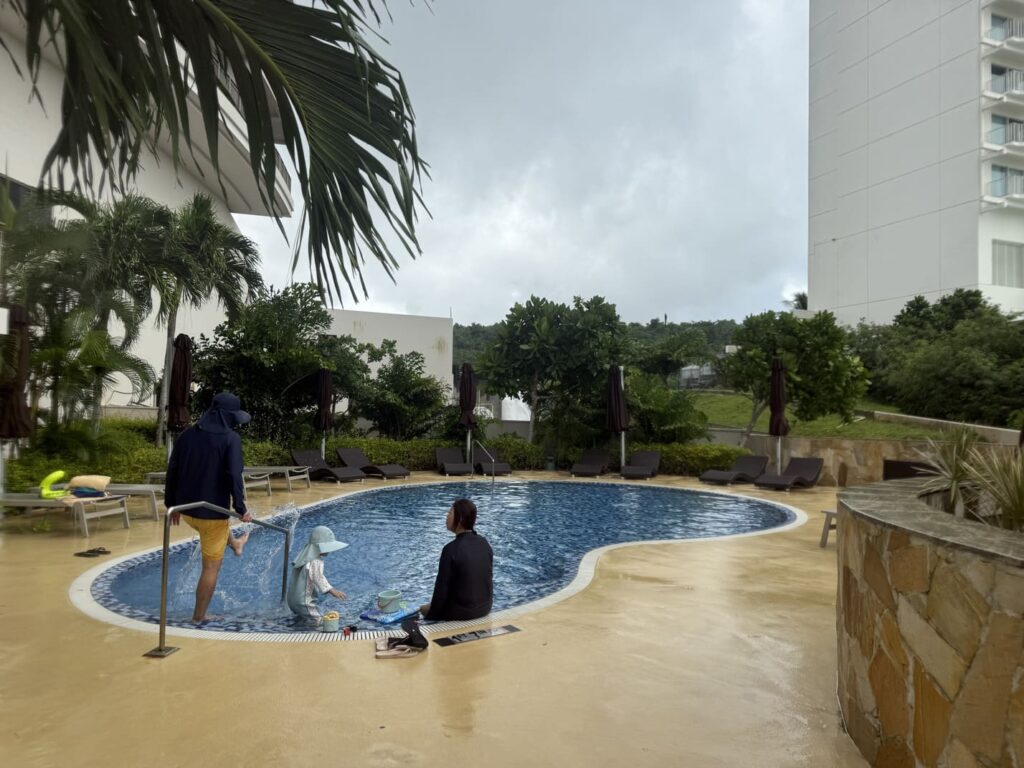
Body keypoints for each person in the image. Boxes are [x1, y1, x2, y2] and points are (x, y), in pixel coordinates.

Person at [164, 392, 253, 623]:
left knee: (220, 528)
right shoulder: (230, 439)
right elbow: (234, 474)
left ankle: (236, 543)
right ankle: (199, 616)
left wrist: (171, 504)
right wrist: (242, 508)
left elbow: (172, 470)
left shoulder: (187, 435)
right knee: (211, 567)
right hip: (212, 514)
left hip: (186, 510)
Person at [419, 498, 493, 621]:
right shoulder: (484, 543)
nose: (447, 516)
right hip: (485, 608)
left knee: (423, 609)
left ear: (460, 519)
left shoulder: (450, 549)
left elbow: (441, 592)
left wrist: (430, 614)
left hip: (461, 613)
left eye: (450, 513)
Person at [287, 526, 349, 622]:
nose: (329, 551)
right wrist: (333, 591)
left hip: (292, 601)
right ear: (320, 547)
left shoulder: (304, 556)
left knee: (303, 620)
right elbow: (318, 577)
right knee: (320, 622)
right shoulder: (316, 561)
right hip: (304, 603)